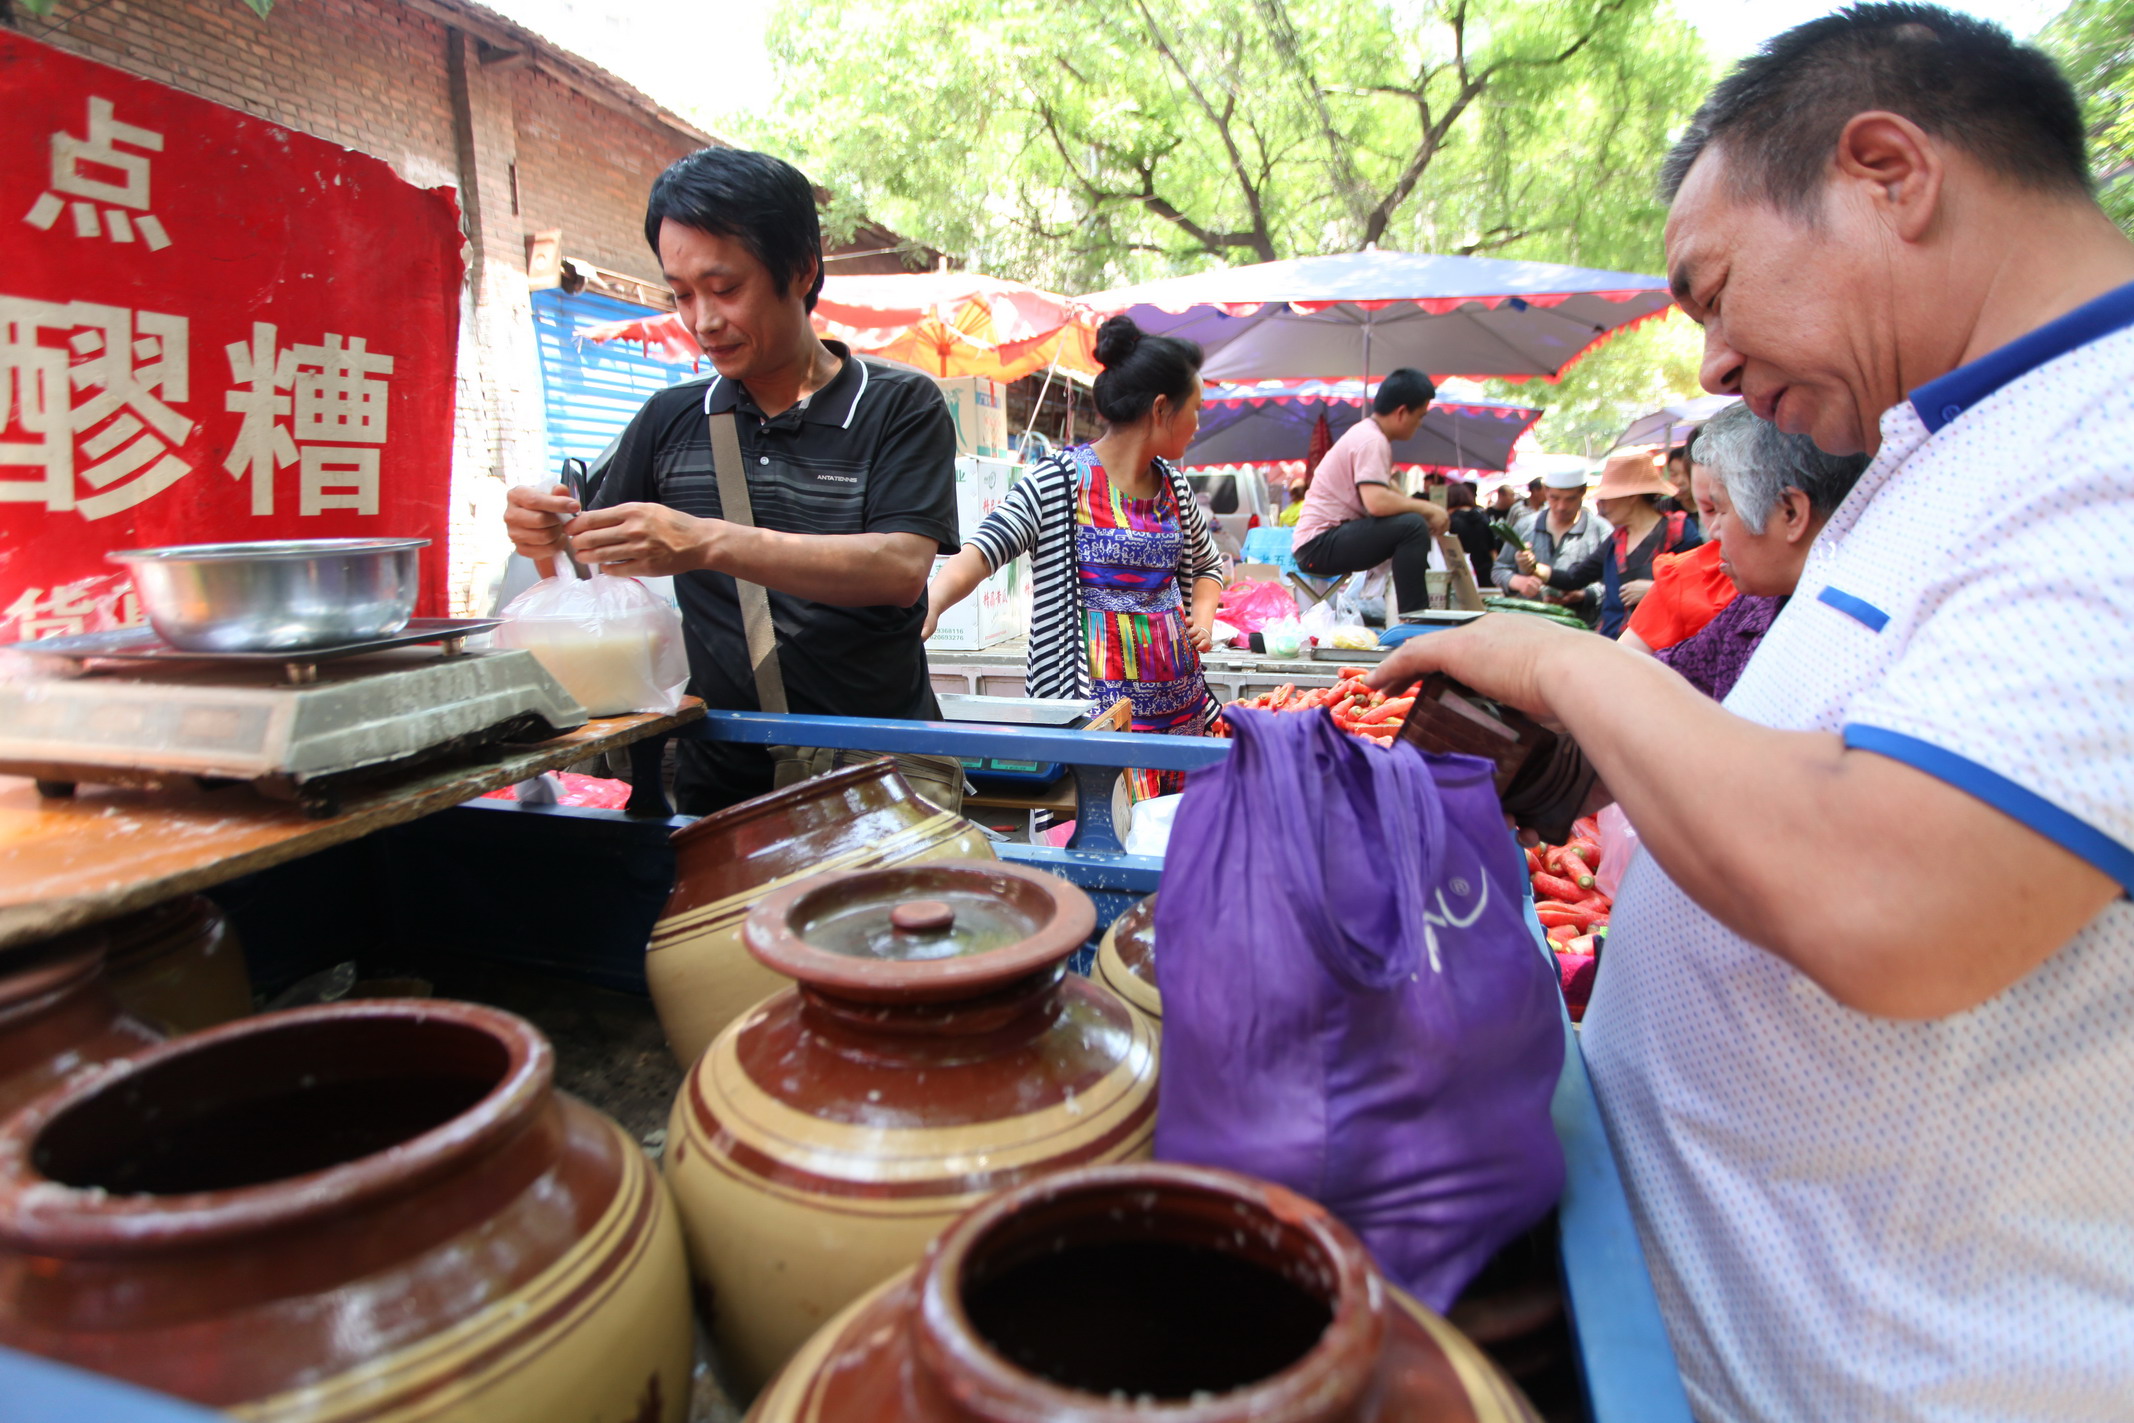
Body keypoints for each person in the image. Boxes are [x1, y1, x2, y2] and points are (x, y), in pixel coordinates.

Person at [1371, 7, 2134, 1417]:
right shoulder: (1939, 446)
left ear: (1885, 172)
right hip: (1699, 1327)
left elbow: (1889, 893)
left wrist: (1563, 668)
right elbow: (1827, 774)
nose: (1710, 365)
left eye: (1712, 290)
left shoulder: (2105, 447)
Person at [502, 148, 957, 815]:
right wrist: (537, 533)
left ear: (800, 270)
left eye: (725, 288)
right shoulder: (670, 419)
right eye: (682, 294)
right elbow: (579, 563)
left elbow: (898, 568)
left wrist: (707, 541)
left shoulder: (898, 404)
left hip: (878, 776)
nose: (703, 320)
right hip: (721, 784)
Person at [925, 316, 1223, 796]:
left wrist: (1202, 620)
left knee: (1170, 853)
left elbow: (1207, 565)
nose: (1198, 424)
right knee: (1104, 851)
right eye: (1196, 409)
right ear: (1162, 408)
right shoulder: (1060, 480)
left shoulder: (1175, 487)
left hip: (1181, 714)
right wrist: (932, 603)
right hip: (1097, 724)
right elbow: (984, 549)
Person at [1651, 403, 1869, 698]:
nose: (1713, 531)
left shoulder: (1849, 643)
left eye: (1721, 509)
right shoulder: (1756, 606)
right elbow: (1672, 673)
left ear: (1790, 513)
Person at [1290, 369, 1450, 613]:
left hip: (1321, 543)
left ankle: (1403, 610)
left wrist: (1423, 511)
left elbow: (1388, 495)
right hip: (1318, 546)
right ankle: (1415, 615)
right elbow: (1377, 503)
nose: (1419, 424)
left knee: (1412, 523)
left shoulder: (1368, 435)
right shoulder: (1372, 440)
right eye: (1419, 416)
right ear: (1402, 412)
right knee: (1412, 526)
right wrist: (1429, 508)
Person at [1520, 450, 1701, 637]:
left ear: (1631, 496)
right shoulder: (1616, 540)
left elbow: (1699, 589)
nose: (1602, 505)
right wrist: (1533, 567)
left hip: (1659, 653)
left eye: (1607, 498)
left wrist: (1656, 590)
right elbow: (1574, 578)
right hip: (1613, 645)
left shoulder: (1679, 533)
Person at [1620, 430, 1736, 654]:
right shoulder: (1682, 575)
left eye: (1722, 509)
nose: (1715, 529)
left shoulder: (1681, 532)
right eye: (1709, 510)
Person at [1492, 466, 1607, 624]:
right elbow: (1499, 569)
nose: (1561, 506)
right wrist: (1518, 581)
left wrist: (1585, 594)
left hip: (1579, 627)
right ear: (1545, 491)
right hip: (1528, 624)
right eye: (1555, 497)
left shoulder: (1600, 531)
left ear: (1583, 492)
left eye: (1570, 499)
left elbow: (1613, 582)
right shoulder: (1525, 526)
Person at [1444, 481, 1496, 585]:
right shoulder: (1484, 517)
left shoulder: (1450, 522)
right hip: (1486, 574)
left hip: (1461, 576)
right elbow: (1493, 550)